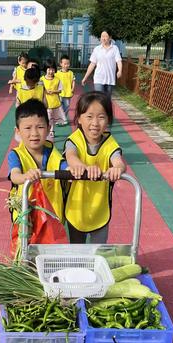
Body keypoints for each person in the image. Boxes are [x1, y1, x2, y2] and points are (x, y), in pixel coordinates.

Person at [64, 91, 126, 244]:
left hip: (100, 208)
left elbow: (118, 161)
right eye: (89, 117)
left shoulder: (110, 143)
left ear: (108, 120)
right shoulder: (74, 140)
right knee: (77, 251)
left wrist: (116, 168)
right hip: (76, 209)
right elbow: (71, 156)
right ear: (79, 118)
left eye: (101, 117)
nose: (95, 123)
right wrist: (83, 167)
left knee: (98, 251)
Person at [8, 99, 67, 255]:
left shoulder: (53, 153)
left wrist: (75, 170)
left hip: (51, 212)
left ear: (48, 128)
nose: (34, 133)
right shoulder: (16, 155)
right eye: (27, 128)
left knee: (50, 248)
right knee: (25, 250)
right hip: (26, 215)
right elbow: (15, 176)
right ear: (18, 132)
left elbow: (65, 167)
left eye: (40, 127)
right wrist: (25, 176)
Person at [81, 30, 122, 98]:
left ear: (110, 37)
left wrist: (120, 70)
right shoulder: (97, 49)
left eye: (106, 36)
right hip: (99, 78)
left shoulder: (115, 49)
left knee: (107, 100)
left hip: (110, 79)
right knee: (99, 99)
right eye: (102, 36)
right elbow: (92, 64)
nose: (103, 38)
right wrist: (85, 77)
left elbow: (119, 61)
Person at [40, 59, 66, 140]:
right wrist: (44, 90)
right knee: (47, 118)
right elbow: (39, 89)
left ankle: (51, 131)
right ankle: (46, 130)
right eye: (49, 69)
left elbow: (60, 90)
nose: (51, 71)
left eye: (52, 69)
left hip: (55, 103)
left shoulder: (57, 80)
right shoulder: (42, 79)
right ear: (45, 69)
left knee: (53, 119)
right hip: (45, 103)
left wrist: (54, 91)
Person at [56, 54, 75, 124]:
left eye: (68, 64)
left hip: (68, 93)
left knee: (66, 106)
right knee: (59, 107)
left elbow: (73, 81)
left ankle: (63, 119)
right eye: (65, 64)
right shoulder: (57, 73)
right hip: (59, 93)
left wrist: (73, 88)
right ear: (61, 64)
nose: (66, 65)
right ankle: (59, 119)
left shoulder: (71, 73)